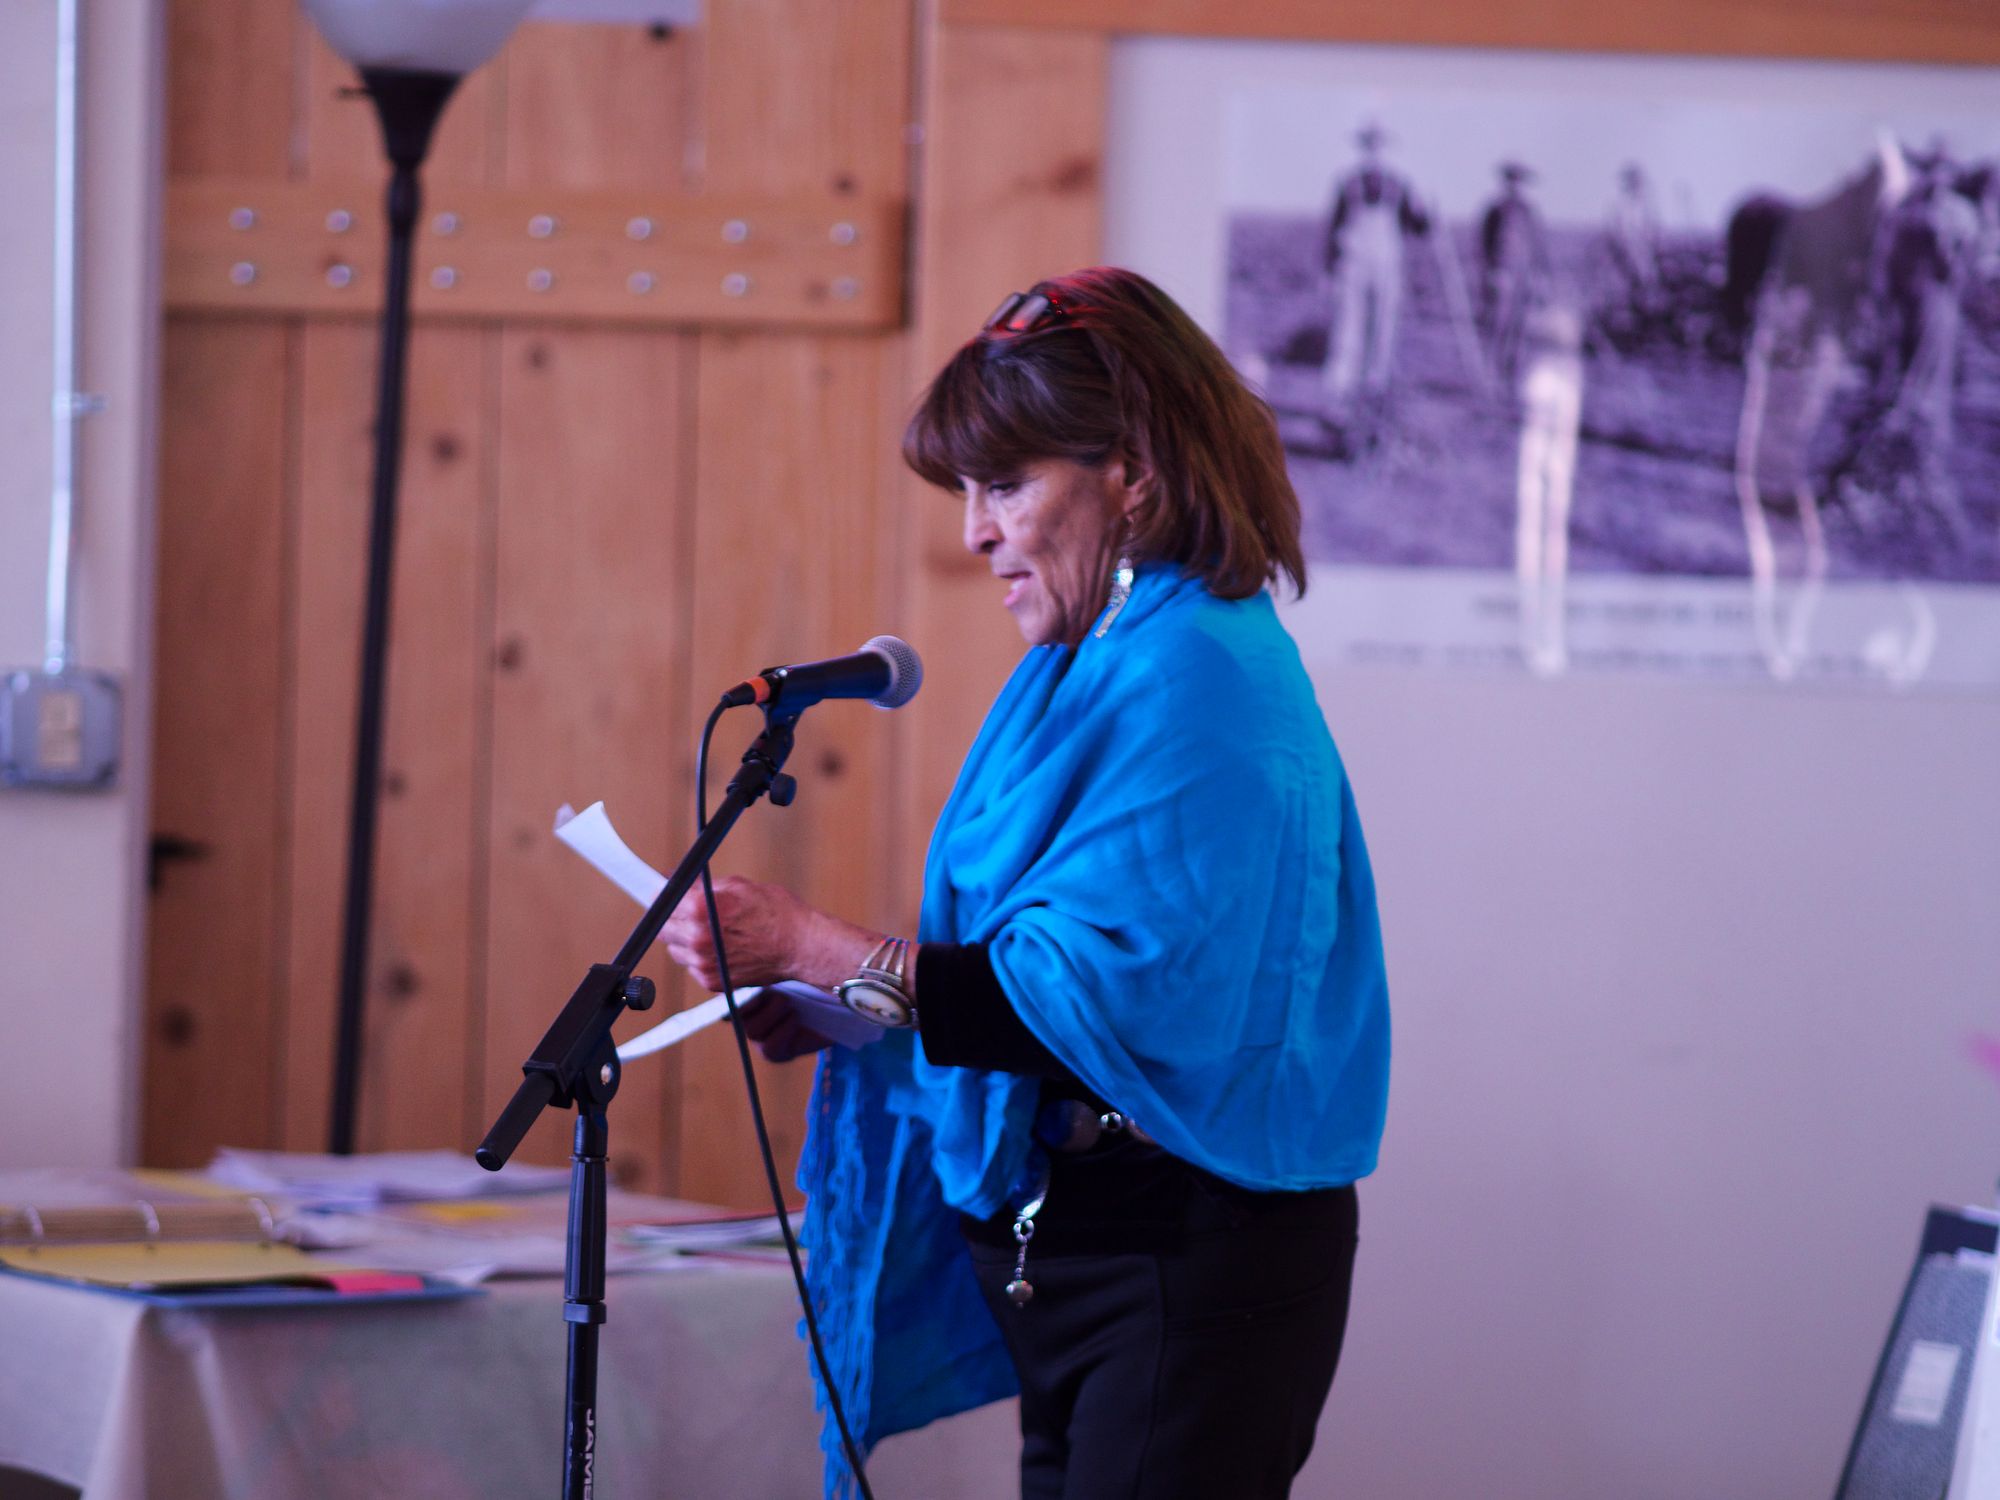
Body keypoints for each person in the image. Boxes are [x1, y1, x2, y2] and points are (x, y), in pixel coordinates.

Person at [660, 266, 1391, 1500]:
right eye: (966, 491)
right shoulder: (1084, 665)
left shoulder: (1194, 674)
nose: (972, 533)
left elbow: (1080, 1003)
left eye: (1003, 485)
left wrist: (804, 943)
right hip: (1080, 1247)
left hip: (1189, 1259)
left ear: (1134, 473)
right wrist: (842, 1007)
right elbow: (1042, 987)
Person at [1322, 122, 1430, 404]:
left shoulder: (1399, 184)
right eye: (1368, 145)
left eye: (1378, 145)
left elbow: (1417, 227)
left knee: (1383, 326)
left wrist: (1425, 215)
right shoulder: (1347, 184)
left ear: (1385, 150)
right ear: (1362, 149)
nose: (1373, 151)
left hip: (1387, 265)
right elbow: (1333, 228)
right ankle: (1339, 390)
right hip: (1353, 264)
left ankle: (1375, 387)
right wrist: (1329, 269)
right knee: (1348, 326)